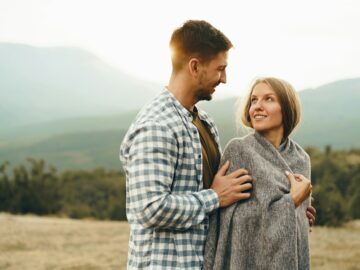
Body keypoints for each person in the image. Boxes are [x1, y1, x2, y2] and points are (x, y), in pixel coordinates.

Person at [120, 20, 254, 270]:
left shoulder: (205, 123)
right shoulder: (157, 125)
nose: (224, 79)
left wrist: (290, 210)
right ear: (195, 66)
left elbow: (228, 192)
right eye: (220, 69)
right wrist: (213, 197)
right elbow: (149, 208)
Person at [204, 77, 314, 270]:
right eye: (254, 100)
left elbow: (298, 227)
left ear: (286, 108)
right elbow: (230, 222)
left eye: (268, 99)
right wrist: (291, 202)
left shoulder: (301, 159)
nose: (257, 106)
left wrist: (300, 217)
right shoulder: (239, 150)